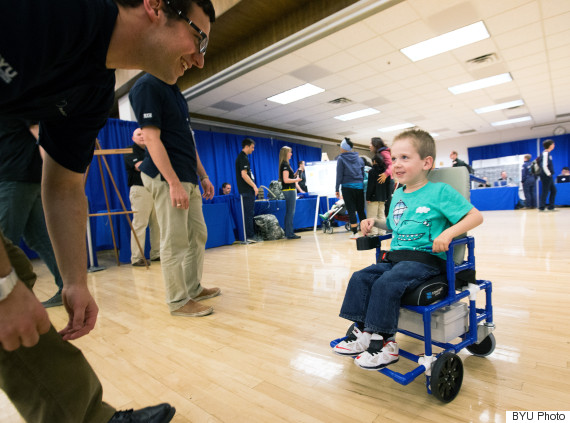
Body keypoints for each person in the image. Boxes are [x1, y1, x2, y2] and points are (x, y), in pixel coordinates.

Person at [0, 0, 218, 420]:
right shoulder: (55, 14)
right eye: (198, 36)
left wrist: (75, 280)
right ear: (155, 6)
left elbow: (64, 185)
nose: (200, 57)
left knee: (17, 284)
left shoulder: (93, 89)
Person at [332, 129, 483, 370]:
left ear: (426, 162)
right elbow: (394, 225)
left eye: (405, 158)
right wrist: (375, 223)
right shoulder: (398, 193)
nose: (397, 164)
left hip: (426, 260)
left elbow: (475, 216)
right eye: (394, 158)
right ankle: (362, 332)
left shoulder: (439, 191)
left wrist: (448, 233)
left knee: (386, 283)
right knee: (360, 277)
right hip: (397, 258)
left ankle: (385, 344)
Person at [129, 71, 220, 317]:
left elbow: (188, 143)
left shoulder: (176, 92)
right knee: (174, 239)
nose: (195, 61)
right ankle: (178, 301)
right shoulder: (147, 85)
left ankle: (193, 288)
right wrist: (172, 182)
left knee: (198, 234)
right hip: (167, 176)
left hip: (187, 174)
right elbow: (150, 137)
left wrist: (203, 176)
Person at [0, 118, 64, 308]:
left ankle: (12, 301)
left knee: (4, 240)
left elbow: (40, 133)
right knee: (40, 239)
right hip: (23, 178)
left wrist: (53, 175)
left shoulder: (15, 97)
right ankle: (67, 287)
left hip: (16, 177)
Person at [123, 127, 160, 267]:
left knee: (157, 224)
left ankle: (156, 254)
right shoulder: (129, 150)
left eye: (143, 134)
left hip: (155, 189)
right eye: (138, 134)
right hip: (140, 190)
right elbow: (139, 167)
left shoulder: (151, 149)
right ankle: (137, 257)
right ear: (133, 138)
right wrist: (158, 163)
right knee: (140, 224)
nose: (141, 136)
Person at [336, 138, 366, 239]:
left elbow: (339, 175)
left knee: (351, 210)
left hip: (347, 187)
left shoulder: (341, 159)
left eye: (340, 146)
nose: (340, 148)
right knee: (361, 210)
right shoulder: (359, 159)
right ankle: (365, 231)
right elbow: (362, 174)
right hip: (359, 187)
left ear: (344, 148)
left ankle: (355, 233)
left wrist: (337, 189)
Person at [235, 138, 258, 243]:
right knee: (248, 214)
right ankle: (249, 236)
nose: (253, 150)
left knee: (248, 214)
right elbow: (244, 175)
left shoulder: (242, 157)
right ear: (247, 146)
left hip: (245, 191)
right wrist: (254, 186)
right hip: (246, 191)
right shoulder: (243, 158)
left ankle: (249, 236)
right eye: (252, 147)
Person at [278, 146, 302, 239]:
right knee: (290, 213)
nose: (291, 154)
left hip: (289, 190)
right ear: (286, 153)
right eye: (290, 152)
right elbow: (286, 180)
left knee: (289, 212)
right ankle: (289, 233)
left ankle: (289, 232)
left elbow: (288, 177)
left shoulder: (285, 164)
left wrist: (296, 173)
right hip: (289, 190)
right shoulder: (285, 165)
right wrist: (296, 179)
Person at [369, 137, 393, 221]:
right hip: (384, 180)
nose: (369, 146)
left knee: (387, 204)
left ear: (375, 145)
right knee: (384, 205)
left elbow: (391, 165)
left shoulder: (383, 153)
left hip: (387, 180)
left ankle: (389, 224)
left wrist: (385, 174)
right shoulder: (380, 153)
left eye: (371, 144)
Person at [365, 154, 390, 236]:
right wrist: (386, 197)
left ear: (374, 161)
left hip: (373, 197)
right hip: (383, 197)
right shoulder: (385, 172)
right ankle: (382, 232)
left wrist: (368, 197)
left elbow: (371, 186)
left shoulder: (372, 171)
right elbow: (388, 186)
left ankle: (373, 233)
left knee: (372, 216)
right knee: (381, 215)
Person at [538, 139, 557, 211]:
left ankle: (551, 206)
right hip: (546, 175)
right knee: (545, 191)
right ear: (550, 145)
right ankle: (542, 207)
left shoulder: (547, 153)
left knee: (553, 191)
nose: (554, 145)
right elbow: (544, 166)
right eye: (553, 144)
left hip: (548, 175)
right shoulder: (545, 153)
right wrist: (549, 174)